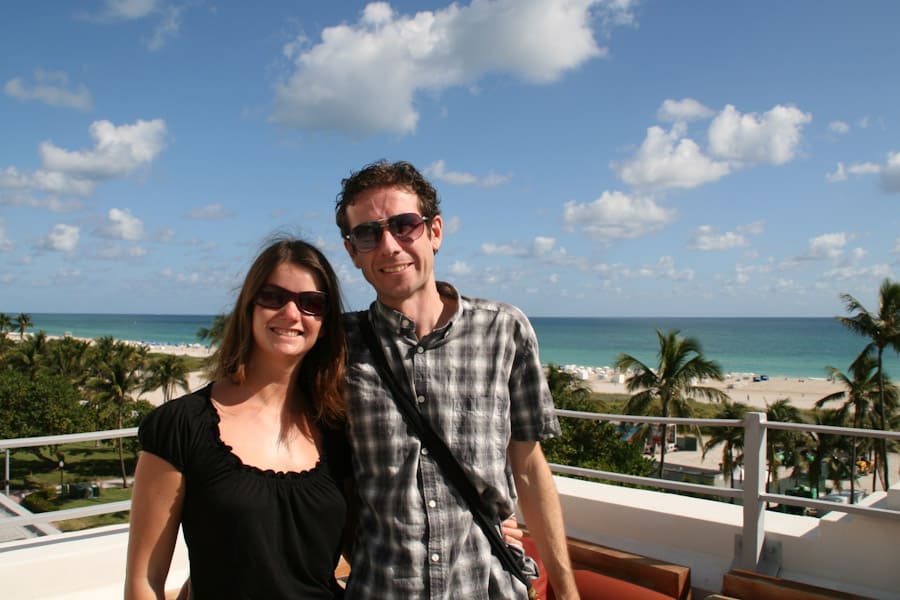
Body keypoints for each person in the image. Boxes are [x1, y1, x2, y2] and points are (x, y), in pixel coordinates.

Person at [336, 160, 579, 599]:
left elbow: (528, 465)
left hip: (487, 585)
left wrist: (565, 587)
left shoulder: (504, 330)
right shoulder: (337, 345)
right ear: (353, 252)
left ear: (434, 231)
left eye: (404, 225)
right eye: (369, 234)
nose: (389, 246)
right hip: (383, 588)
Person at [124, 237, 351, 599]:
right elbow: (144, 582)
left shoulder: (338, 429)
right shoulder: (182, 426)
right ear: (249, 306)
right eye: (274, 297)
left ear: (325, 323)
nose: (292, 314)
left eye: (312, 303)